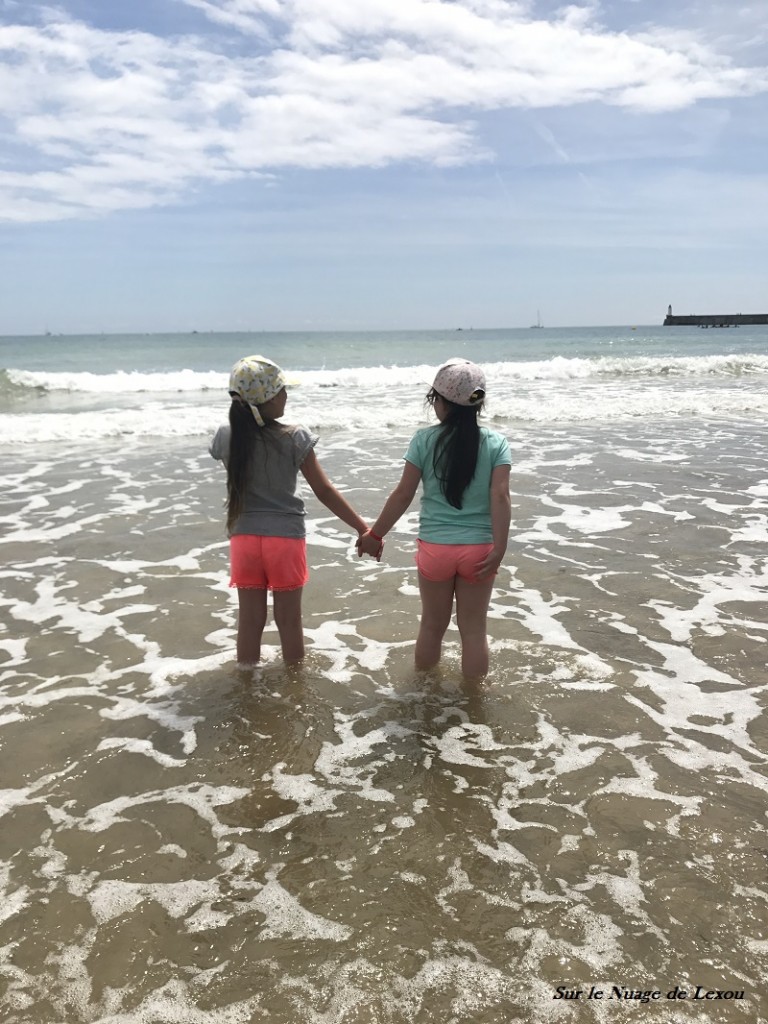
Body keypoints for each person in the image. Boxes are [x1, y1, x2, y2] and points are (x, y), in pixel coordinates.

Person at [358, 358, 511, 679]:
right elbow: (500, 496)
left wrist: (375, 535)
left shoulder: (424, 441)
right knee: (473, 630)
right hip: (479, 551)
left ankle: (425, 695)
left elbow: (403, 494)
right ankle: (473, 702)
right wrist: (499, 548)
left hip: (436, 549)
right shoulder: (496, 444)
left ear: (440, 401)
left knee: (431, 625)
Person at [210, 355, 368, 666]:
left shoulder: (227, 436)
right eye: (281, 391)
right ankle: (294, 683)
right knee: (289, 621)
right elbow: (324, 490)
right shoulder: (294, 436)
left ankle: (247, 679)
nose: (286, 396)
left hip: (243, 538)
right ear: (266, 399)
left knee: (249, 621)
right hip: (284, 539)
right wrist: (362, 527)